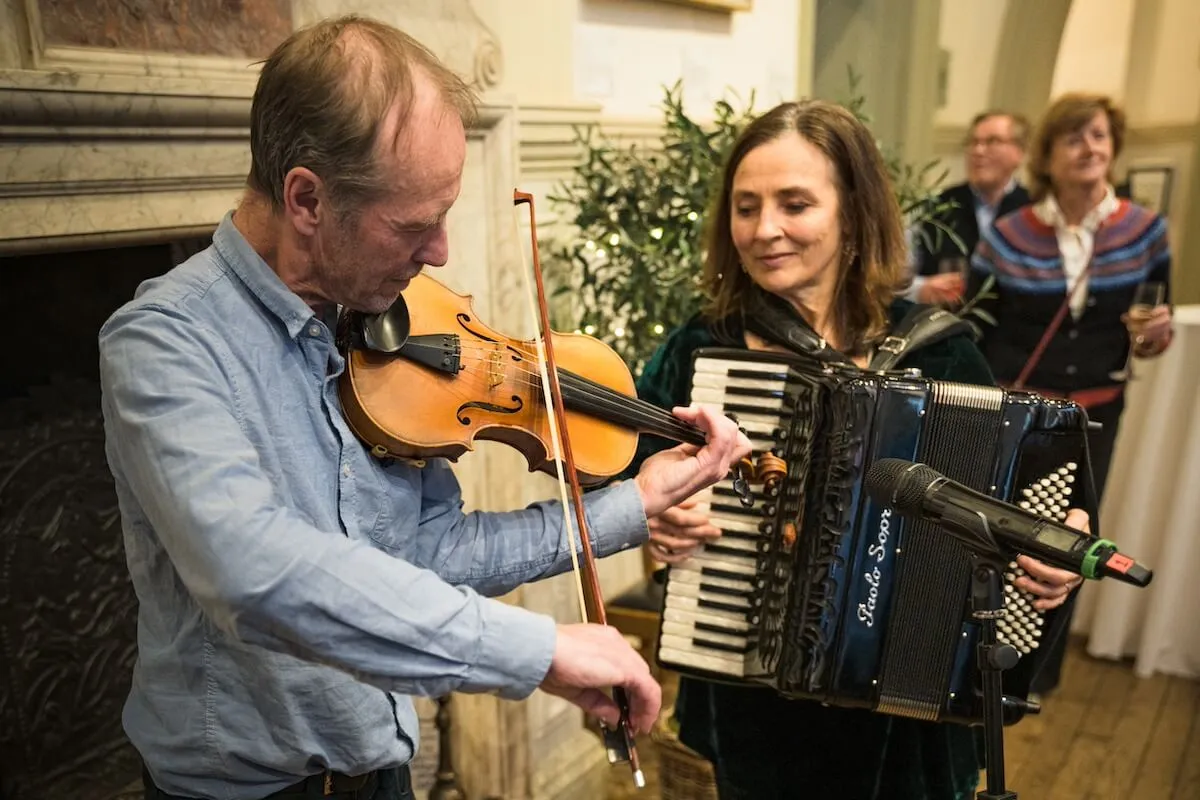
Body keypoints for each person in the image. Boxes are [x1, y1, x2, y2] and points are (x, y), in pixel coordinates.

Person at [97, 15, 751, 800]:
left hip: (382, 771)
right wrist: (536, 651)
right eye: (415, 224)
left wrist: (632, 503)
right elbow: (254, 572)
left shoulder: (377, 322)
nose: (440, 251)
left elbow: (431, 555)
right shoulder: (164, 344)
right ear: (306, 200)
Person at [624, 99, 1085, 799]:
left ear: (853, 214)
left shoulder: (940, 352)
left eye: (795, 204)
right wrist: (653, 515)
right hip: (755, 705)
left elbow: (1019, 504)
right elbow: (623, 470)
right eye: (746, 208)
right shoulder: (702, 347)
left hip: (907, 718)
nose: (765, 229)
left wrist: (1053, 546)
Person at [967, 92, 1172, 694]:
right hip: (1017, 410)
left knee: (1072, 542)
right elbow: (975, 328)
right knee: (999, 532)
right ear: (1047, 155)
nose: (1089, 147)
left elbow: (1150, 333)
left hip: (1096, 413)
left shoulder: (1146, 230)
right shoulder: (1008, 235)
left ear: (1115, 148)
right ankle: (977, 660)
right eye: (1074, 137)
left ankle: (1035, 674)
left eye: (1100, 135)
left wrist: (1155, 337)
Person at [907, 110, 1031, 306]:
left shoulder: (1035, 210)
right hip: (944, 317)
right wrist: (921, 288)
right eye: (973, 142)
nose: (978, 151)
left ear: (1019, 152)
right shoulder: (938, 206)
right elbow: (895, 279)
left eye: (992, 141)